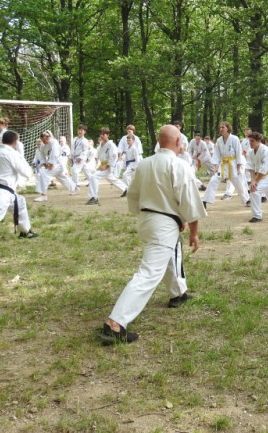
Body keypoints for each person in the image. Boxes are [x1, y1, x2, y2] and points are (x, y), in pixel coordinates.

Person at [99, 125, 205, 345]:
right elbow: (190, 202)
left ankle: (178, 294)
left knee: (168, 253)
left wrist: (165, 216)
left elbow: (133, 195)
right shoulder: (179, 165)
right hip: (163, 223)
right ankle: (115, 324)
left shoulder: (145, 163)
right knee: (148, 273)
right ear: (178, 142)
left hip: (148, 219)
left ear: (159, 141)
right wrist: (193, 232)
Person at [202, 121, 249, 208]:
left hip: (233, 163)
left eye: (223, 127)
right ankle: (205, 200)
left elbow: (239, 153)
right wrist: (216, 167)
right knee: (213, 180)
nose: (221, 129)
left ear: (228, 128)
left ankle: (246, 200)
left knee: (239, 183)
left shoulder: (234, 139)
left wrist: (238, 167)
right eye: (220, 127)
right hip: (223, 164)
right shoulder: (219, 140)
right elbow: (216, 154)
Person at [86, 127, 127, 205]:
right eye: (100, 134)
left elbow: (114, 156)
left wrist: (107, 166)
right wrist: (99, 164)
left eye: (103, 134)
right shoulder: (101, 145)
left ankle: (94, 197)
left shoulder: (111, 145)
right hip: (102, 165)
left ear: (107, 135)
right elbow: (98, 155)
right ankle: (125, 189)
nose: (101, 136)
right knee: (111, 178)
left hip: (108, 165)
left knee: (94, 177)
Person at [34, 130, 77, 202]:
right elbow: (42, 154)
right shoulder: (42, 144)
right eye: (42, 140)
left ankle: (43, 195)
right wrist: (44, 163)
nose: (43, 142)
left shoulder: (54, 142)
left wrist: (51, 164)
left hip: (58, 163)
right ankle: (74, 188)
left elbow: (54, 154)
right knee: (61, 177)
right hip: (53, 164)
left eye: (44, 140)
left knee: (44, 174)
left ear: (48, 137)